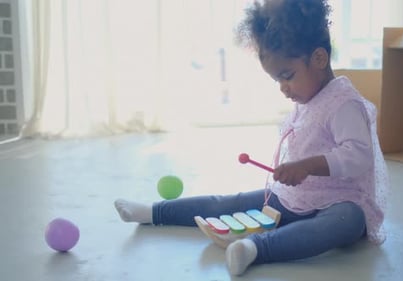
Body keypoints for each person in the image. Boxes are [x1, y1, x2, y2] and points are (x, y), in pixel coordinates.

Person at [114, 0, 388, 276]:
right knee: (231, 203)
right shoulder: (309, 96)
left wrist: (306, 166)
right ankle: (154, 212)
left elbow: (358, 156)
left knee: (345, 221)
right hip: (298, 197)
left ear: (319, 58)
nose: (283, 88)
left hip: (342, 201)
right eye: (277, 80)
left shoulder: (343, 102)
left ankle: (256, 249)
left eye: (287, 76)